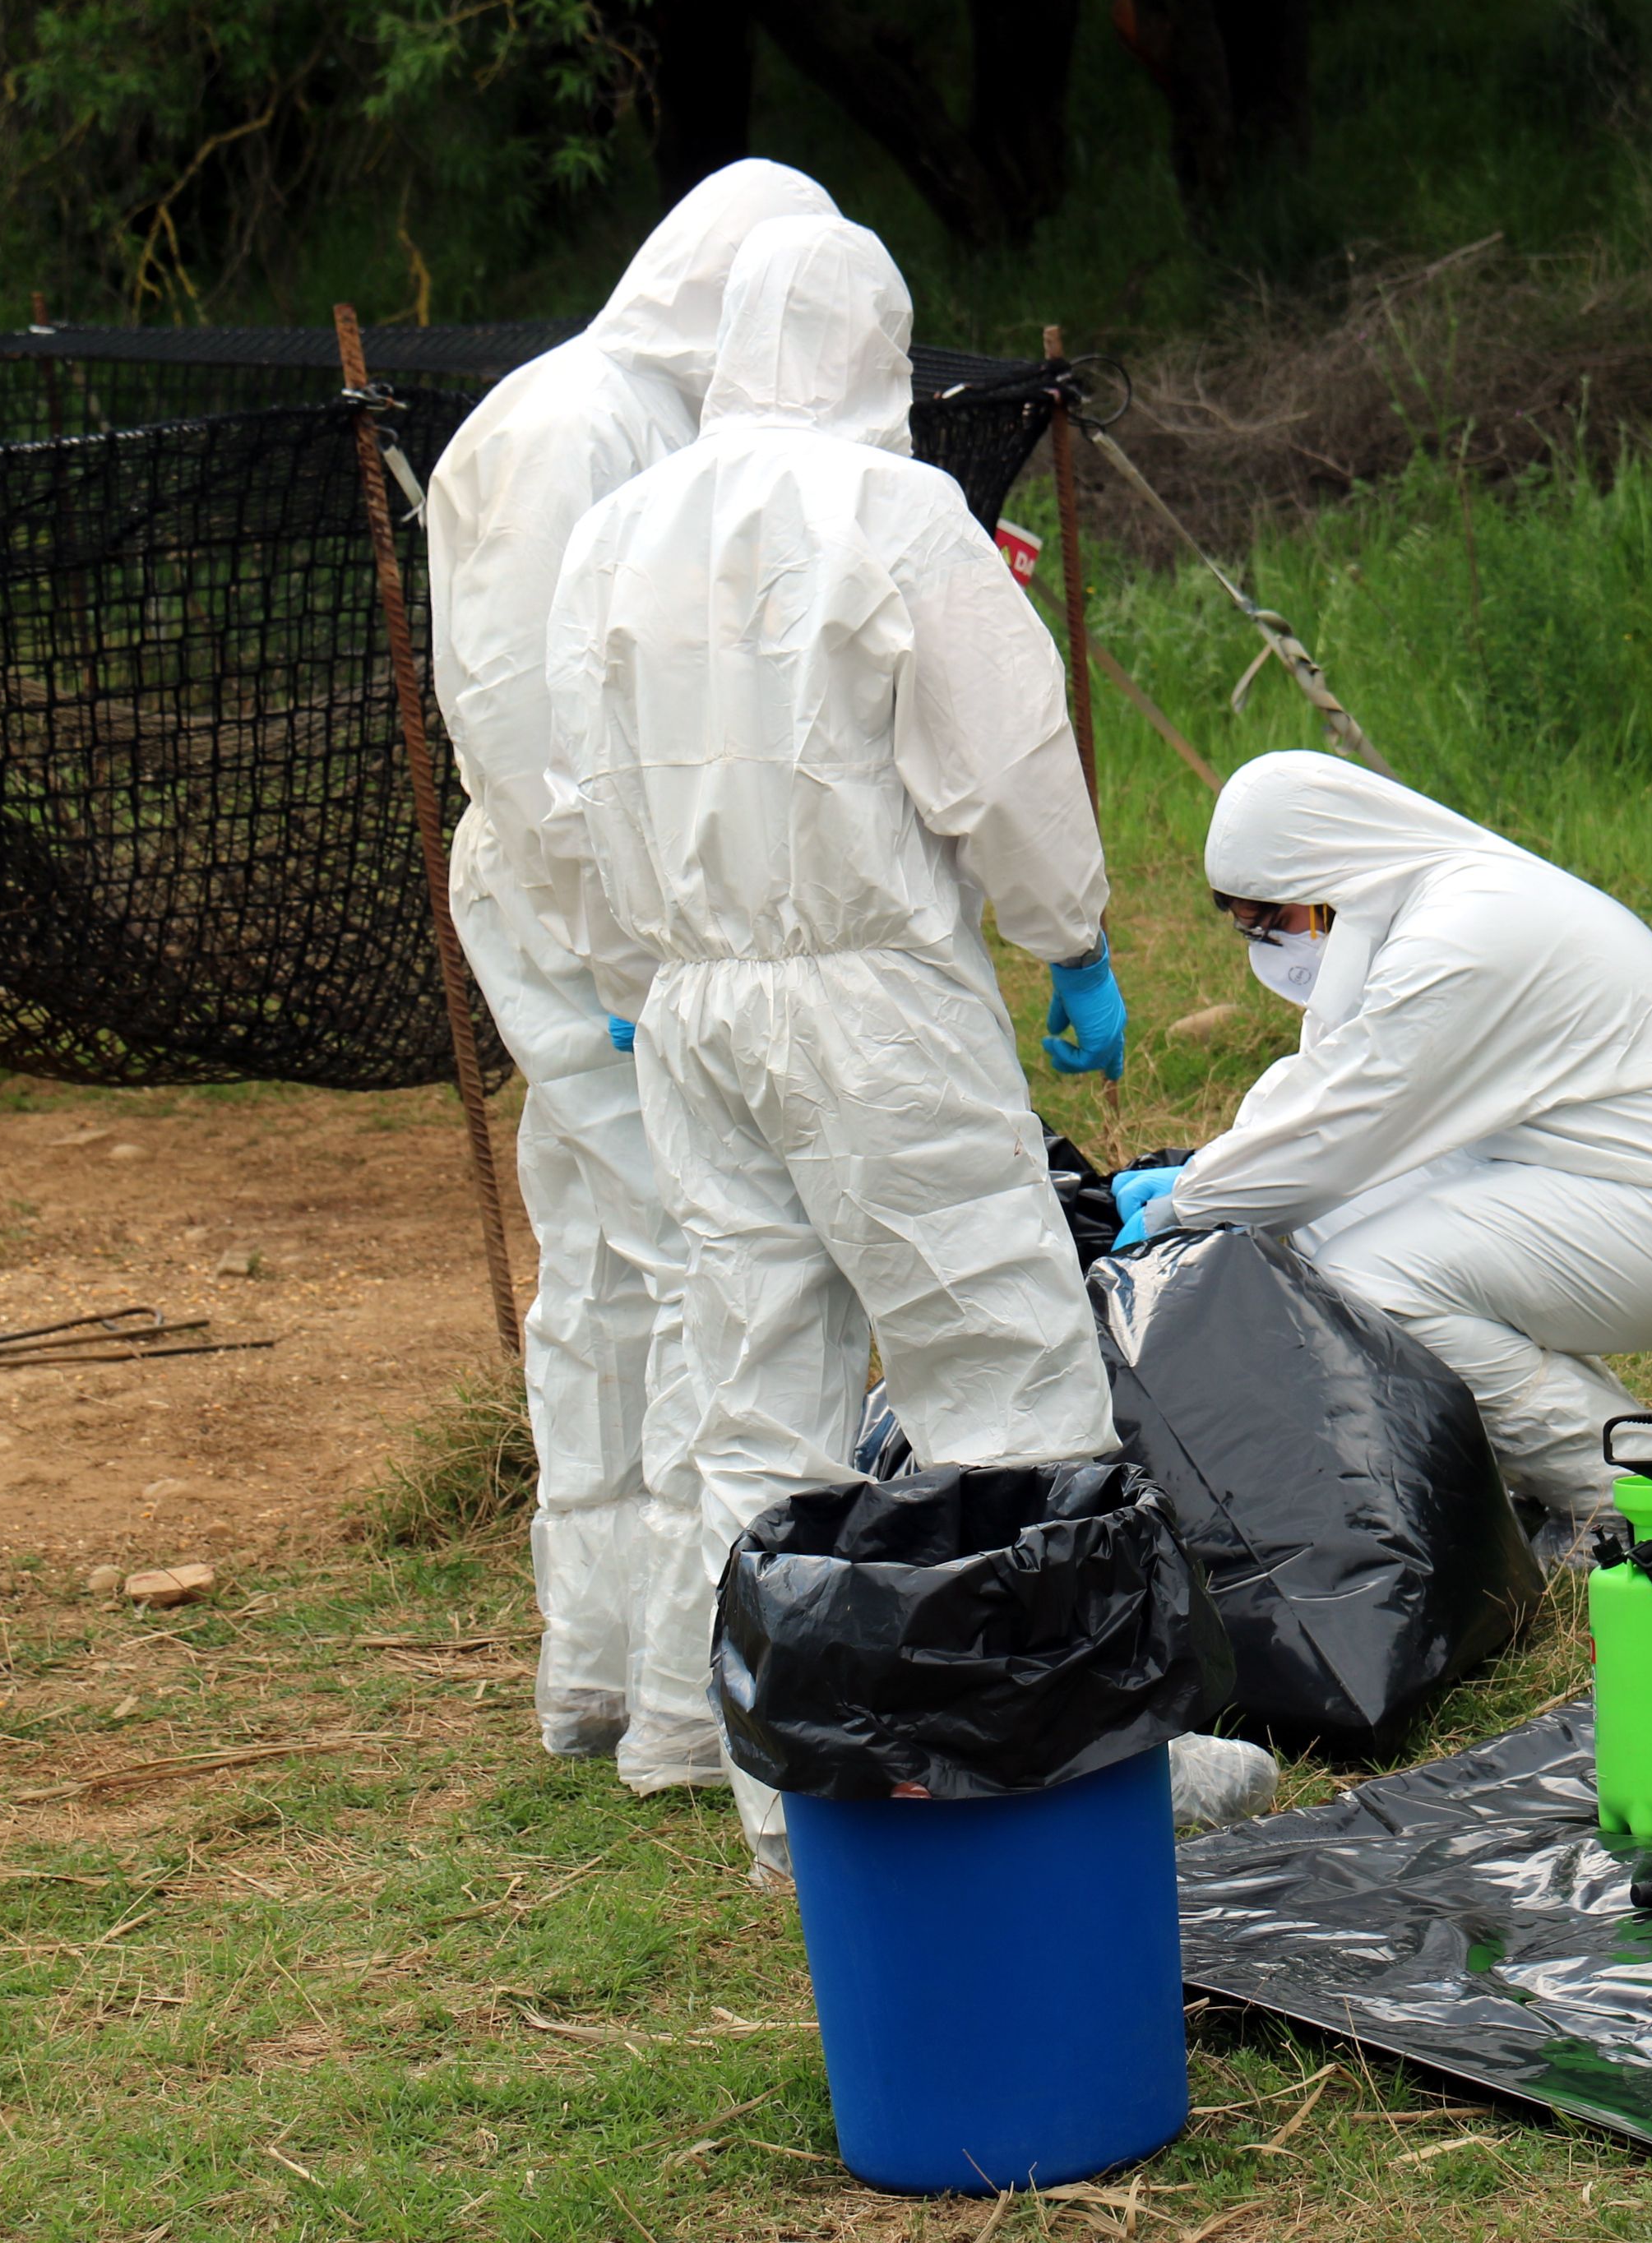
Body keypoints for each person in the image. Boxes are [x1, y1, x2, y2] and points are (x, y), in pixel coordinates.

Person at [546, 214, 1129, 1872]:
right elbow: (1001, 758)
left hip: (693, 1014)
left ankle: (784, 1794)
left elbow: (571, 783)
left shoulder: (618, 532)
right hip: (866, 999)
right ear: (882, 351)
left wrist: (624, 958)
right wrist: (1068, 934)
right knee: (1001, 1364)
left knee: (757, 1397)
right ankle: (1048, 1762)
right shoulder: (896, 509)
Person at [423, 159, 838, 1764]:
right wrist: (620, 932)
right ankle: (687, 1692)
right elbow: (523, 712)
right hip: (586, 915)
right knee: (688, 1255)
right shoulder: (576, 422)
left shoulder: (642, 413)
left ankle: (605, 1669)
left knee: (607, 1269)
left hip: (605, 908)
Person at [1116, 752, 1652, 1547]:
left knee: (1374, 1282)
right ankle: (1572, 1456)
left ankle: (1639, 1502)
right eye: (1251, 926)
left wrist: (1188, 1205)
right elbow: (1321, 1088)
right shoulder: (1421, 905)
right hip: (1602, 1180)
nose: (1272, 943)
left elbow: (1343, 1127)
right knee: (1328, 1230)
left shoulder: (1461, 936)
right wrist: (1210, 1174)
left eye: (1279, 919)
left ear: (1329, 878)